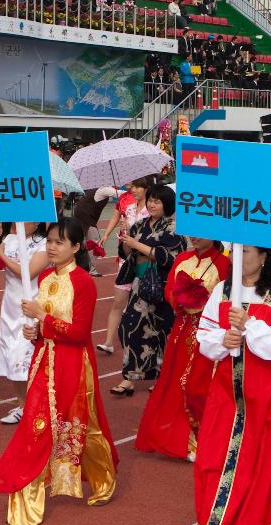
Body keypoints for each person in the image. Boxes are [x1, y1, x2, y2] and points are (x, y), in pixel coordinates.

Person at [0, 218, 118, 525]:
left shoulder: (84, 283)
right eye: (49, 240)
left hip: (73, 364)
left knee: (79, 425)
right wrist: (34, 330)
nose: (51, 246)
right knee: (38, 427)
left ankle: (103, 477)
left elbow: (79, 332)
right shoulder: (46, 276)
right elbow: (44, 326)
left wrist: (42, 319)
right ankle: (24, 506)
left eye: (59, 242)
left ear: (76, 247)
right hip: (43, 361)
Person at [183, 245, 271, 525]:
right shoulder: (222, 290)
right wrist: (222, 339)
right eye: (236, 251)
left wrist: (249, 325)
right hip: (225, 390)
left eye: (247, 251)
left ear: (264, 257)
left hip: (265, 393)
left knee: (258, 462)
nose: (239, 257)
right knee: (211, 457)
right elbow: (204, 336)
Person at [135, 236, 229, 462]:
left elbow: (225, 299)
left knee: (199, 382)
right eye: (192, 232)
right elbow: (169, 289)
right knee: (174, 380)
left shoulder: (225, 264)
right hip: (181, 327)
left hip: (208, 330)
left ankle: (204, 437)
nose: (194, 237)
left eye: (201, 232)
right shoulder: (183, 259)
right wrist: (180, 299)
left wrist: (203, 302)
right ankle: (179, 439)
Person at [112, 184, 184, 395]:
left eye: (157, 201)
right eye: (150, 200)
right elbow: (128, 255)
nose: (151, 204)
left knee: (162, 332)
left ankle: (163, 376)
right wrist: (126, 240)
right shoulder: (138, 225)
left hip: (162, 285)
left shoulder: (172, 228)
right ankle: (129, 377)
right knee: (128, 326)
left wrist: (137, 245)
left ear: (167, 205)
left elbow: (169, 257)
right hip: (140, 283)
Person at [0, 222, 49, 425]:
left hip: (31, 308)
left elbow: (28, 272)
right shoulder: (9, 239)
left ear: (36, 224)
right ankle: (22, 404)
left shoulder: (43, 244)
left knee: (26, 357)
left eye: (27, 219)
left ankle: (35, 405)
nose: (21, 222)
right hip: (10, 307)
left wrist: (0, 255)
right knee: (10, 357)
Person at [96, 178, 151, 356]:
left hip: (145, 264)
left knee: (143, 306)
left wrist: (133, 232)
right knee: (118, 301)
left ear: (146, 188)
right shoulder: (127, 206)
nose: (133, 189)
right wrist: (114, 232)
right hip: (126, 261)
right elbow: (116, 218)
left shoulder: (152, 210)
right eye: (132, 186)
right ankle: (108, 342)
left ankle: (144, 347)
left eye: (137, 186)